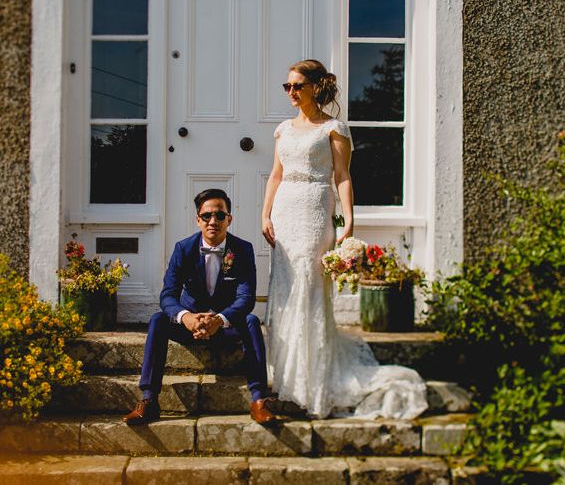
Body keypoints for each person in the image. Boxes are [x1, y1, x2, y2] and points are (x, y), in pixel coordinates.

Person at [261, 59, 428, 419]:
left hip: (315, 210)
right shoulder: (283, 130)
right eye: (286, 86)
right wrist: (265, 213)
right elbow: (275, 175)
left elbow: (342, 176)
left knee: (309, 285)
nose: (291, 92)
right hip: (285, 211)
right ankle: (285, 376)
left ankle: (309, 384)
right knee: (287, 291)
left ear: (315, 87)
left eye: (297, 86)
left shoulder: (334, 129)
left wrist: (349, 219)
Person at [123, 188, 276, 425]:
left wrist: (220, 319)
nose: (213, 221)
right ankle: (149, 399)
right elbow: (168, 295)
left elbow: (246, 298)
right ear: (198, 219)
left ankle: (259, 399)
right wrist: (186, 318)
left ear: (229, 219)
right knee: (157, 320)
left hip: (225, 327)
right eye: (206, 216)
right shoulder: (183, 249)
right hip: (189, 326)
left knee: (251, 321)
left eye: (220, 215)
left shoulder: (242, 250)